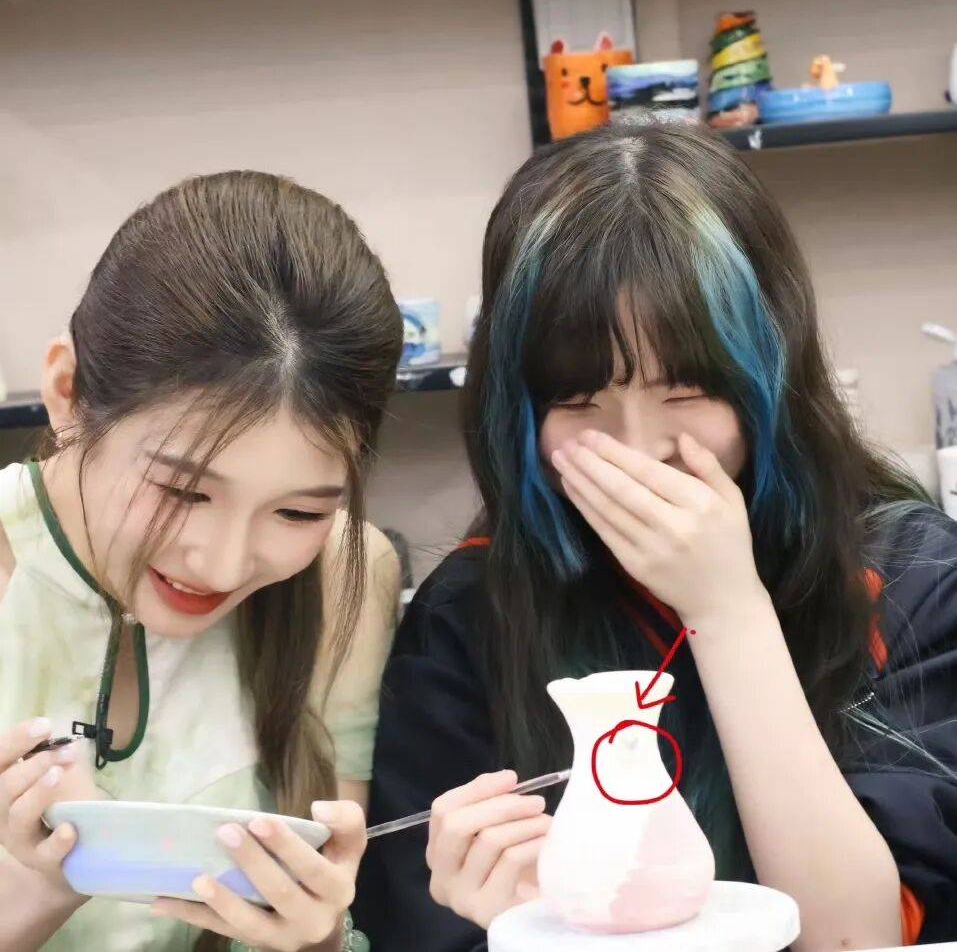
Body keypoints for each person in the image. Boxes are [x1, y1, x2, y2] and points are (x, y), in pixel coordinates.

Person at [356, 122, 957, 950]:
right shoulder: (470, 613)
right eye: (576, 399)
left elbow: (854, 936)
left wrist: (728, 610)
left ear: (772, 371)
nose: (636, 448)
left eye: (684, 389)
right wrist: (522, 928)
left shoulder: (909, 572)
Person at [0, 170, 403, 952]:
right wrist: (37, 892)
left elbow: (324, 916)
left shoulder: (344, 572)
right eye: (182, 490)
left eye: (298, 511)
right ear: (67, 392)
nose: (220, 565)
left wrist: (316, 936)